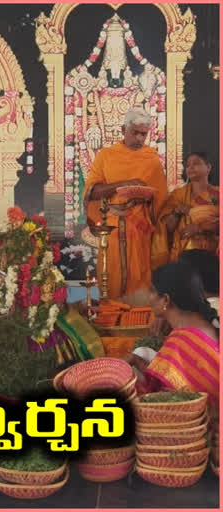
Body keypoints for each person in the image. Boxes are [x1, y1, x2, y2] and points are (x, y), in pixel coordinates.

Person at [83, 107, 168, 299]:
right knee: (110, 278)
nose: (139, 138)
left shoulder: (152, 160)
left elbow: (161, 203)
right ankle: (111, 322)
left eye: (143, 134)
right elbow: (92, 192)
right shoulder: (106, 156)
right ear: (123, 130)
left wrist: (146, 197)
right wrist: (124, 185)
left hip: (141, 230)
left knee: (140, 279)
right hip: (111, 228)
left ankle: (140, 323)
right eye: (135, 133)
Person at [124, 263, 219, 403]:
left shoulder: (181, 338)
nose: (148, 297)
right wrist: (136, 360)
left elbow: (173, 397)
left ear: (166, 300)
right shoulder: (197, 321)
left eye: (152, 291)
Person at [156, 152, 219, 263]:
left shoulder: (218, 193)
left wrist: (200, 228)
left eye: (196, 163)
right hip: (184, 255)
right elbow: (166, 229)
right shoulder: (178, 195)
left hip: (214, 255)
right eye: (188, 165)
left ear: (208, 167)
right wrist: (176, 212)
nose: (190, 167)